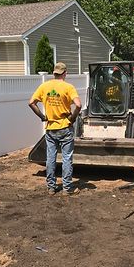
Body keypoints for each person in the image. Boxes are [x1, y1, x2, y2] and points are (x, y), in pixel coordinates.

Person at [29, 62, 82, 195]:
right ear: (65, 73)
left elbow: (31, 103)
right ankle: (67, 188)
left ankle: (51, 187)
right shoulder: (68, 87)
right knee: (67, 158)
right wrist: (72, 118)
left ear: (54, 73)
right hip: (65, 127)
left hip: (50, 128)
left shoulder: (44, 86)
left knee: (50, 157)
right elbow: (79, 105)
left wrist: (42, 117)